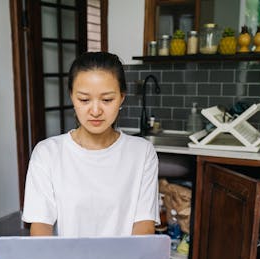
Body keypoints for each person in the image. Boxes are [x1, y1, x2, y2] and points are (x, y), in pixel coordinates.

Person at [22, 51, 159, 237]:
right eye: (84, 100)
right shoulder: (47, 153)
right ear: (72, 97)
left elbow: (144, 225)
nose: (95, 111)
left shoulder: (142, 152)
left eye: (107, 100)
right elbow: (40, 227)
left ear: (122, 98)